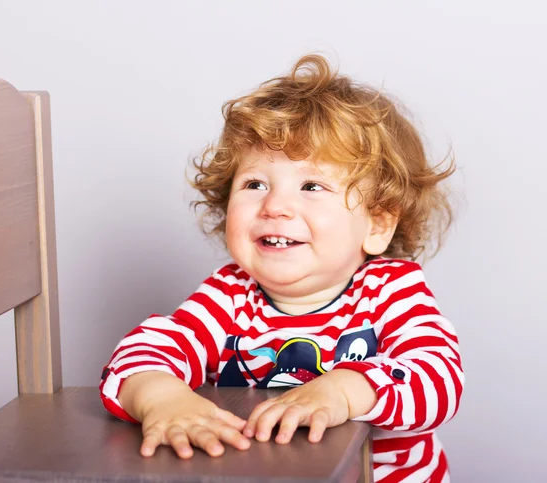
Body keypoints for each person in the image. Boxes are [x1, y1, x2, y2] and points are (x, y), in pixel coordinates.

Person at [99, 54, 464, 482]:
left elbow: (437, 375)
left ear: (378, 223)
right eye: (255, 184)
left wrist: (344, 389)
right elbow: (147, 350)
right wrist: (162, 398)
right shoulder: (229, 295)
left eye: (312, 186)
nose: (275, 206)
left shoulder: (390, 290)